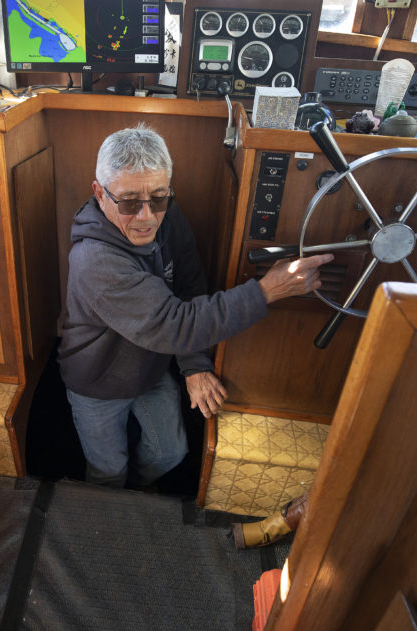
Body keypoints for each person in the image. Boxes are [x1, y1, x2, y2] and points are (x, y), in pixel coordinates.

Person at [58, 124, 333, 488]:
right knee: (109, 471)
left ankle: (137, 498)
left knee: (169, 453)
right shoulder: (95, 260)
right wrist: (267, 290)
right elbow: (175, 324)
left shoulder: (168, 216)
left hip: (152, 367)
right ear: (99, 193)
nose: (146, 217)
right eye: (128, 202)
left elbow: (188, 286)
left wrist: (194, 364)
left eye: (158, 197)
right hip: (98, 381)